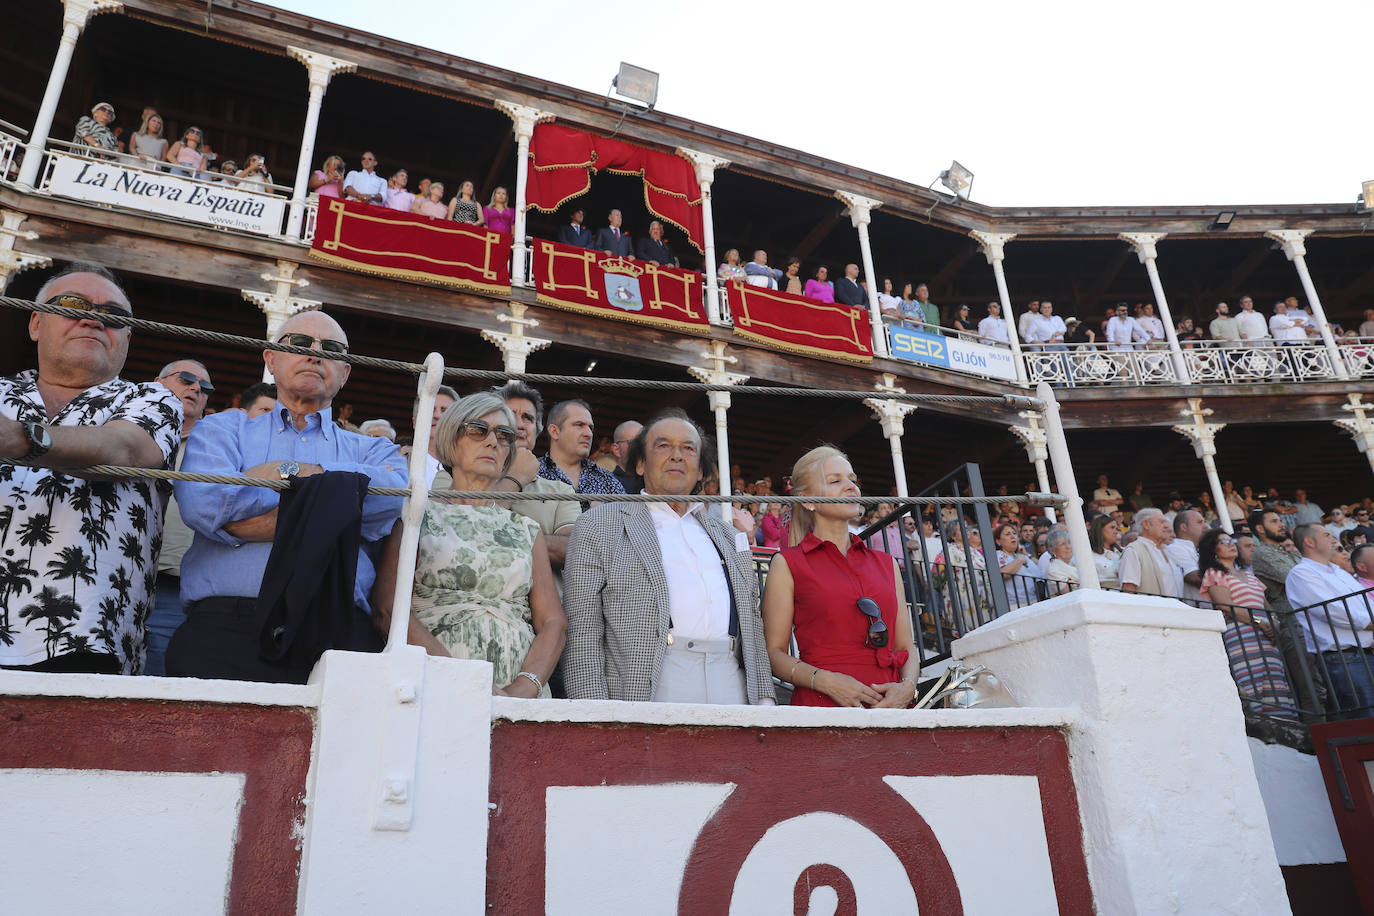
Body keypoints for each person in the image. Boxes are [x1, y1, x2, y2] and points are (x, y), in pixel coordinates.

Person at [169, 310, 407, 683]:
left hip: (338, 633)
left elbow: (390, 502)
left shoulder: (373, 450)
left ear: (344, 373)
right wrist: (334, 503)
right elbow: (204, 503)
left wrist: (266, 480)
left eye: (331, 349)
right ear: (271, 359)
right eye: (299, 343)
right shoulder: (223, 428)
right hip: (226, 629)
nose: (315, 354)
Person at [0, 263, 182, 674]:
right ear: (35, 324)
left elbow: (124, 450)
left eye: (113, 316)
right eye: (71, 304)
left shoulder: (151, 399)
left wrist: (20, 439)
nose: (93, 318)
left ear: (127, 339)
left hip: (84, 640)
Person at [564, 409, 774, 704]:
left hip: (730, 682)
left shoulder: (727, 536)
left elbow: (752, 626)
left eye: (688, 449)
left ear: (700, 470)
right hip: (646, 688)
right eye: (662, 446)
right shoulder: (599, 525)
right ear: (639, 464)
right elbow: (582, 632)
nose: (677, 456)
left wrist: (765, 699)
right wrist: (593, 717)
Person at [371, 393, 566, 697]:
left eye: (504, 436)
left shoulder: (526, 530)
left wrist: (523, 689)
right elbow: (388, 609)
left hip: (518, 701)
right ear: (451, 439)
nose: (492, 442)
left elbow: (553, 620)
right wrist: (462, 680)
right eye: (478, 430)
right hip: (433, 687)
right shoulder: (416, 516)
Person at [760, 446, 917, 708]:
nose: (850, 487)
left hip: (891, 708)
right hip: (823, 704)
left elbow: (906, 647)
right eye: (835, 481)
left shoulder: (887, 564)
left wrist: (908, 689)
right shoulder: (787, 563)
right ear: (807, 500)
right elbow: (773, 654)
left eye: (853, 480)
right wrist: (827, 682)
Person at [147, 358, 215, 676]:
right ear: (158, 383)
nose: (196, 387)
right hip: (111, 578)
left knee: (158, 678)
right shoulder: (123, 429)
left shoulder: (216, 449)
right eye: (186, 378)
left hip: (175, 587)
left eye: (204, 386)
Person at [1197, 528, 1297, 718]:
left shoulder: (1249, 575)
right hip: (1241, 634)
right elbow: (1227, 607)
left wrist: (1273, 623)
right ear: (1213, 549)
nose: (1231, 545)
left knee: (1275, 679)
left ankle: (1284, 725)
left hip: (1266, 635)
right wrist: (1260, 622)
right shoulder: (1214, 573)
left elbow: (1266, 606)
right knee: (1252, 679)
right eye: (1224, 542)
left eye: (1231, 541)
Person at [1286, 524, 1374, 717]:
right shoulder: (1301, 574)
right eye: (1327, 535)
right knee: (1365, 720)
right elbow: (1334, 612)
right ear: (1309, 542)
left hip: (1366, 652)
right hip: (1344, 658)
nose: (1334, 539)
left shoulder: (1341, 572)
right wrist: (1371, 624)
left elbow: (1366, 604)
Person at [537, 399, 625, 505]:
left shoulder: (608, 481)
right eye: (579, 425)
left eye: (590, 428)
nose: (589, 434)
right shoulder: (533, 474)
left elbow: (626, 519)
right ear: (554, 431)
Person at [1119, 508, 1182, 598]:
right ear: (1146, 524)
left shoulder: (1167, 550)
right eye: (1162, 522)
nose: (1167, 526)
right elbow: (1128, 592)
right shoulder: (1133, 551)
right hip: (1153, 611)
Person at [1165, 509, 1207, 601]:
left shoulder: (1199, 549)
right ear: (1184, 527)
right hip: (1197, 610)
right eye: (1200, 523)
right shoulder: (1175, 548)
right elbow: (1194, 577)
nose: (1205, 527)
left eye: (1205, 522)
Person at [994, 522, 1037, 608]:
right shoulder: (997, 555)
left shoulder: (1021, 555)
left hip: (1034, 601)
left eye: (1014, 533)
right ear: (998, 541)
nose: (1013, 536)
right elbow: (1003, 574)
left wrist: (1026, 555)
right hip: (1016, 605)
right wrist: (1019, 560)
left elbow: (1040, 571)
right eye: (1007, 534)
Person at [609, 420, 643, 493]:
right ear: (616, 449)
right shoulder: (608, 485)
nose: (641, 447)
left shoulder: (653, 483)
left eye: (643, 442)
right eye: (634, 443)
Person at [1089, 514, 1123, 587]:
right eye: (1112, 527)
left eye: (1117, 528)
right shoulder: (1089, 556)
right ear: (1099, 529)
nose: (1116, 532)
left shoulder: (1124, 552)